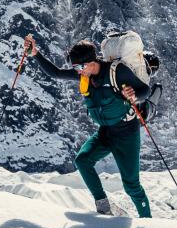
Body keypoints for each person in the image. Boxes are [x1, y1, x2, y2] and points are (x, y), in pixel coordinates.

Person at [23, 34, 152, 217]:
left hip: (127, 134)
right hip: (106, 132)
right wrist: (35, 53)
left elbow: (145, 90)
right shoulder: (85, 74)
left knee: (132, 186)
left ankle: (148, 222)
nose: (78, 71)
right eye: (75, 68)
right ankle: (103, 207)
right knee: (82, 161)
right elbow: (56, 73)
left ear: (92, 62)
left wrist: (135, 96)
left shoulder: (117, 72)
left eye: (80, 67)